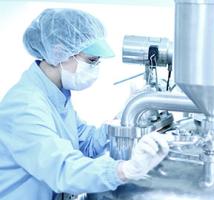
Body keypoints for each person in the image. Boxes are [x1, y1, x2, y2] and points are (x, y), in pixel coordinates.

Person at [0, 8, 169, 200]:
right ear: (59, 52)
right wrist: (126, 170)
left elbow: (86, 144)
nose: (95, 68)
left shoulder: (56, 96)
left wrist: (125, 113)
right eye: (92, 60)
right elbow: (62, 169)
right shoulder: (25, 106)